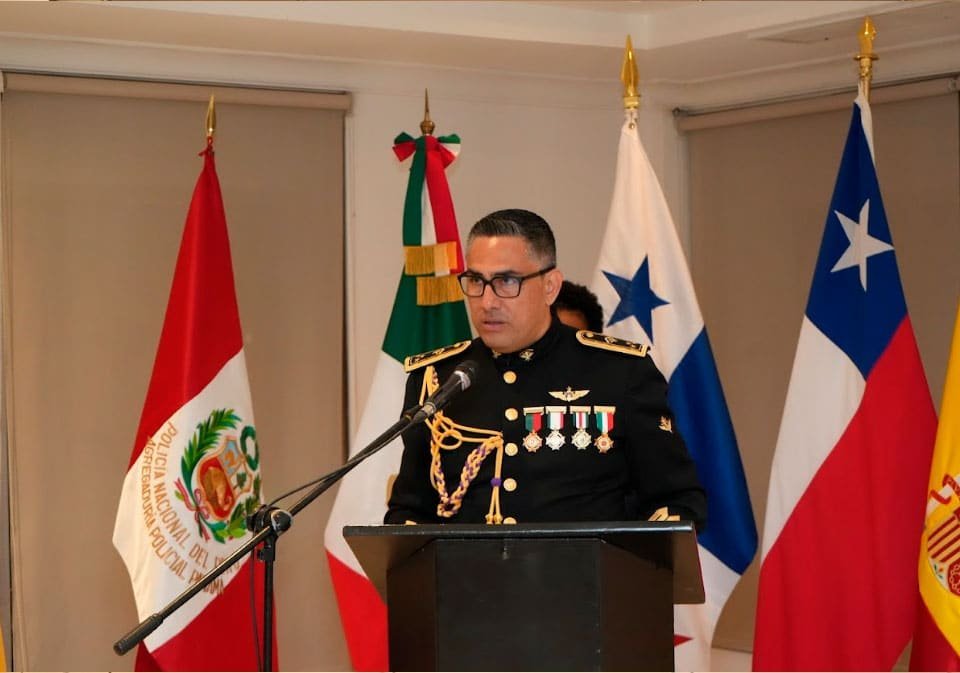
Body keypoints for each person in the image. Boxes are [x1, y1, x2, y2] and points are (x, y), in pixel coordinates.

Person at [385, 208, 705, 527]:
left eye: (506, 281)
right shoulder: (437, 379)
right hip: (467, 576)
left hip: (584, 576)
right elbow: (410, 511)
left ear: (550, 286)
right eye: (476, 281)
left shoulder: (620, 373)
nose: (487, 301)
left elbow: (678, 501)